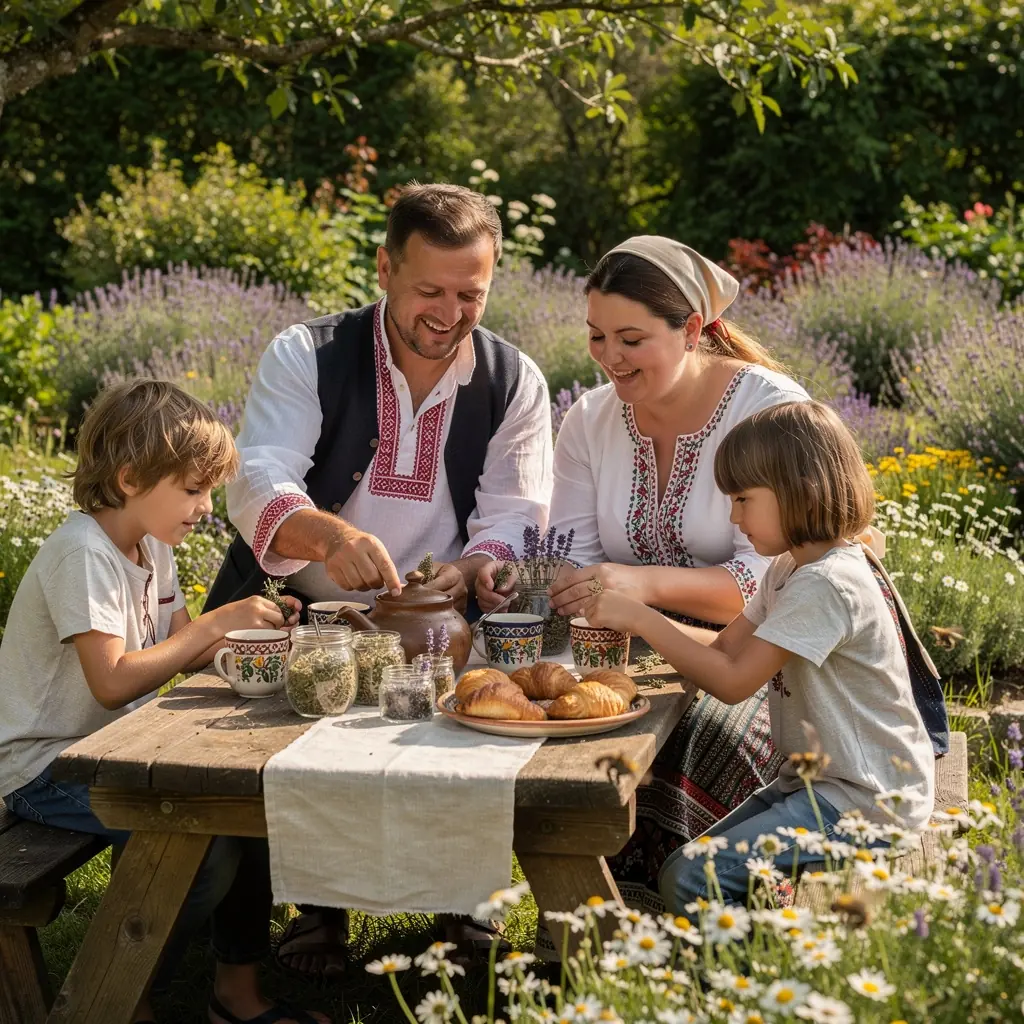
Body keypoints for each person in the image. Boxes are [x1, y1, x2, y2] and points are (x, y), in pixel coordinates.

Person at [204, 182, 553, 975]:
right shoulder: (308, 353)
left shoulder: (511, 379)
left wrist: (473, 568)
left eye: (471, 293)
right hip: (300, 610)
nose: (449, 311)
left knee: (461, 746)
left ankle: (467, 913)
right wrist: (328, 535)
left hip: (436, 617)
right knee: (252, 766)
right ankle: (295, 924)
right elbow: (255, 477)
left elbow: (515, 510)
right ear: (384, 269)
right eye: (429, 289)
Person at [476, 235, 810, 911]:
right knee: (509, 689)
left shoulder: (767, 409)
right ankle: (569, 912)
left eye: (630, 339)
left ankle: (685, 915)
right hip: (620, 637)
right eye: (597, 337)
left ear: (692, 329)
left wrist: (640, 586)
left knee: (695, 731)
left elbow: (773, 586)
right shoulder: (592, 420)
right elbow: (573, 554)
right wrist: (525, 578)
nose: (608, 359)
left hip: (756, 652)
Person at [0, 379, 328, 1024]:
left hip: (100, 750)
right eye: (193, 489)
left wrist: (256, 637)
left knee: (222, 828)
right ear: (129, 479)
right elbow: (115, 681)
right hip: (39, 768)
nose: (206, 507)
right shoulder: (82, 553)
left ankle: (141, 981)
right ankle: (123, 994)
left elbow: (184, 648)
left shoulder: (151, 546)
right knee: (199, 847)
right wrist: (213, 626)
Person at [582, 400, 937, 909]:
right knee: (689, 865)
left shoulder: (826, 585)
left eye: (743, 499)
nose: (733, 515)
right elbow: (727, 646)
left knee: (689, 878)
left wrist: (642, 616)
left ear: (801, 490)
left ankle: (742, 984)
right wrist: (641, 648)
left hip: (869, 803)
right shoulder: (792, 567)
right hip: (826, 784)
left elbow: (731, 681)